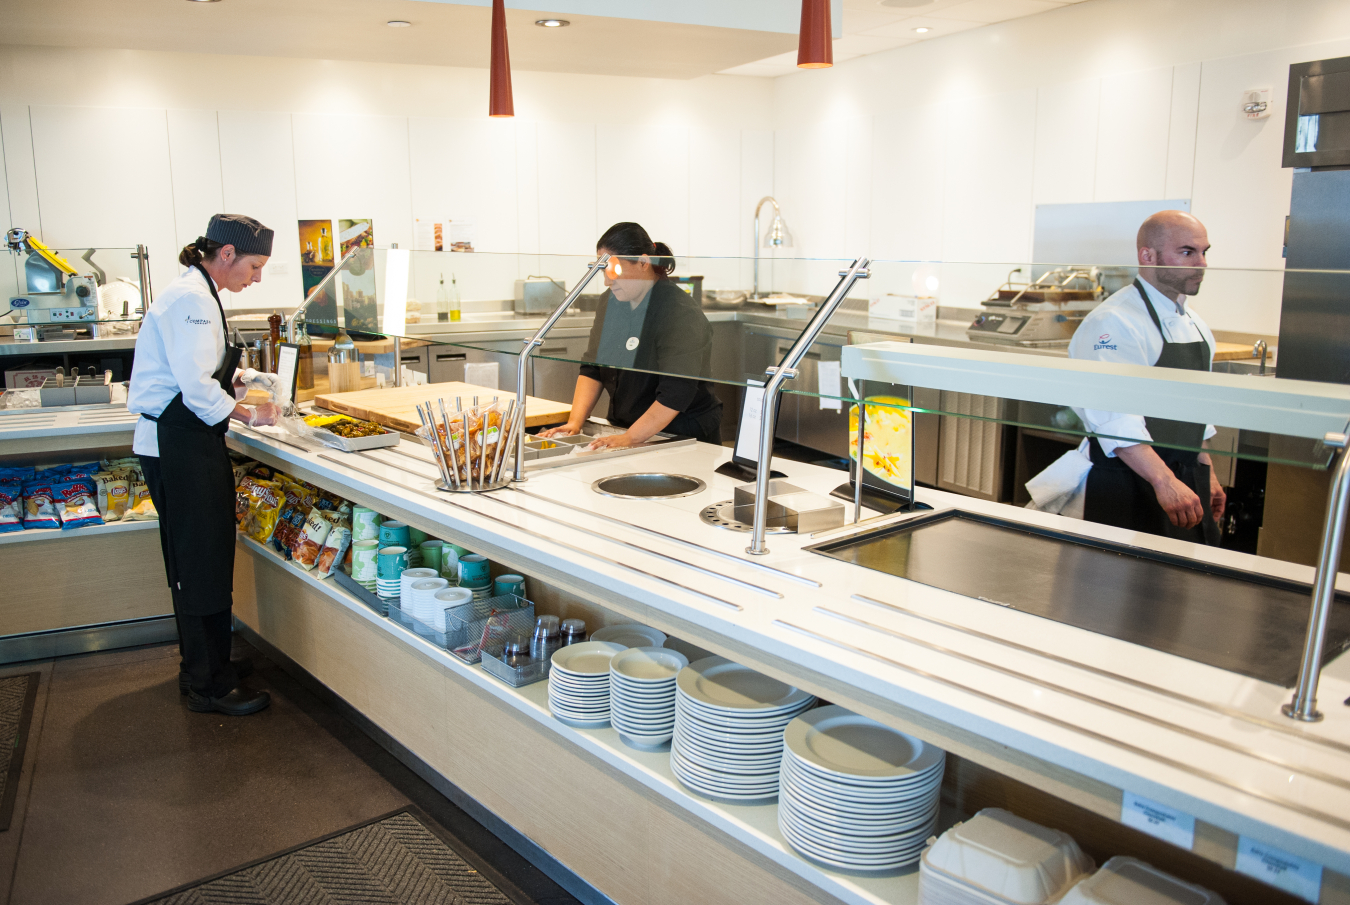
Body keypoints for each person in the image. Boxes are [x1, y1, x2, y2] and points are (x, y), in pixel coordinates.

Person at [128, 214, 281, 716]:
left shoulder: (200, 292)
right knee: (198, 563)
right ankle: (206, 685)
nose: (256, 278)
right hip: (179, 442)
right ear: (229, 255)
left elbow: (196, 372)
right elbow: (194, 389)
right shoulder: (192, 299)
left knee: (202, 558)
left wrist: (239, 384)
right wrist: (248, 412)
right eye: (255, 266)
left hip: (186, 438)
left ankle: (207, 664)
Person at [1069, 210, 1226, 545]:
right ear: (1147, 255)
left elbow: (1198, 409)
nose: (1201, 264)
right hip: (1130, 480)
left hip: (1182, 480)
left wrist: (1206, 472)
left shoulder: (1196, 324)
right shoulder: (1115, 322)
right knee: (1120, 588)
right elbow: (1116, 419)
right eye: (1187, 252)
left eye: (1204, 252)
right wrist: (1164, 482)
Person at [539, 222, 723, 448]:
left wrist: (631, 437)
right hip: (626, 430)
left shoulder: (679, 313)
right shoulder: (610, 302)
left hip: (681, 436)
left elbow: (676, 393)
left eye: (614, 271)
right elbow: (593, 368)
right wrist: (574, 423)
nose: (607, 281)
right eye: (603, 272)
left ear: (644, 262)